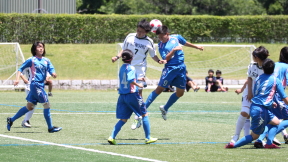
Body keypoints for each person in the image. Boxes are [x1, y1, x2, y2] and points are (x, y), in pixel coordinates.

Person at [111, 19, 164, 130]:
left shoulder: (149, 42)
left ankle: (138, 116)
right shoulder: (130, 36)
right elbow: (123, 49)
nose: (139, 33)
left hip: (139, 69)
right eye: (138, 30)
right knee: (127, 91)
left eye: (141, 31)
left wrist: (159, 61)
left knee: (138, 93)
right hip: (127, 66)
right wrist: (117, 57)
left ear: (146, 32)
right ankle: (129, 112)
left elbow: (153, 55)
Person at [226, 59, 288, 149]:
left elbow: (258, 94)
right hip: (261, 110)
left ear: (263, 69)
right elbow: (284, 97)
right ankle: (233, 146)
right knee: (254, 136)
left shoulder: (258, 78)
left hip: (256, 107)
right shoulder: (276, 80)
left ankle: (269, 143)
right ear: (273, 69)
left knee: (276, 122)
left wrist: (271, 102)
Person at [8, 42, 62, 133]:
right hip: (35, 85)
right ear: (34, 49)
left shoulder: (46, 60)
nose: (41, 48)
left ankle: (11, 120)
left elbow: (51, 68)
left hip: (40, 85)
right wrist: (17, 79)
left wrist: (53, 73)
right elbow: (20, 69)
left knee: (29, 107)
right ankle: (50, 127)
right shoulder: (32, 60)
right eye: (39, 47)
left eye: (42, 47)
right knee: (46, 105)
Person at [107, 49, 157, 145]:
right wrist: (139, 84)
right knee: (144, 114)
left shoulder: (122, 68)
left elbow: (125, 78)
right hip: (132, 95)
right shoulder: (132, 68)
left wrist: (138, 78)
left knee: (123, 119)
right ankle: (148, 137)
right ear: (132, 58)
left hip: (122, 96)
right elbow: (130, 80)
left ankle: (112, 137)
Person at [144, 25, 188, 120]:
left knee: (180, 93)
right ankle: (142, 110)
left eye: (161, 37)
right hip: (170, 69)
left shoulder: (176, 38)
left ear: (167, 34)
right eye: (158, 37)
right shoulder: (161, 45)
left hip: (181, 69)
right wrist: (174, 50)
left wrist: (197, 47)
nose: (160, 39)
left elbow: (184, 43)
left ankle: (165, 108)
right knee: (159, 89)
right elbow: (165, 58)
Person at [230, 46, 268, 143]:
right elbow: (249, 79)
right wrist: (248, 92)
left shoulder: (267, 67)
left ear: (257, 57)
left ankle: (259, 138)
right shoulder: (252, 65)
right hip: (249, 93)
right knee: (244, 113)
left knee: (259, 116)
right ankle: (236, 137)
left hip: (260, 94)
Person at [254, 47, 288, 147]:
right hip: (278, 95)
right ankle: (266, 138)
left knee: (274, 120)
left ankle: (260, 140)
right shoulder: (286, 67)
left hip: (268, 95)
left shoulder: (275, 64)